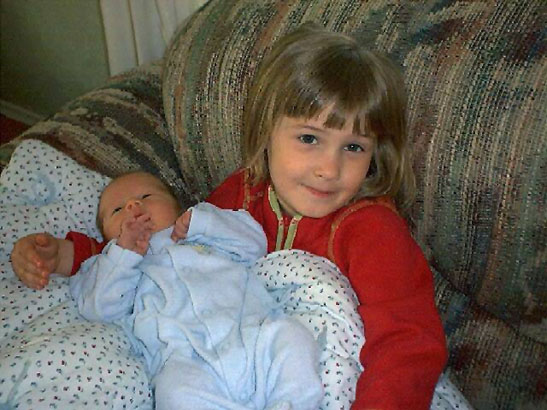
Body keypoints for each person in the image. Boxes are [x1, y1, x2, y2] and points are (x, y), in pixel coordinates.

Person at [12, 23, 448, 409]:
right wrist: (70, 254)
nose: (329, 169)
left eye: (353, 147)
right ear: (266, 131)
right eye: (309, 138)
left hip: (315, 364)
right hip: (215, 355)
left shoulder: (372, 229)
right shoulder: (244, 190)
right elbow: (168, 250)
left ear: (375, 155)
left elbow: (407, 343)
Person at [71, 171, 323, 410]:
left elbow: (255, 244)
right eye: (117, 210)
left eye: (146, 196)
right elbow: (99, 309)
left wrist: (204, 223)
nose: (133, 206)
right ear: (105, 236)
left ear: (176, 207)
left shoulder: (205, 232)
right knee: (174, 392)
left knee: (292, 336)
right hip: (186, 358)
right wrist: (123, 255)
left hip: (251, 331)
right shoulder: (111, 266)